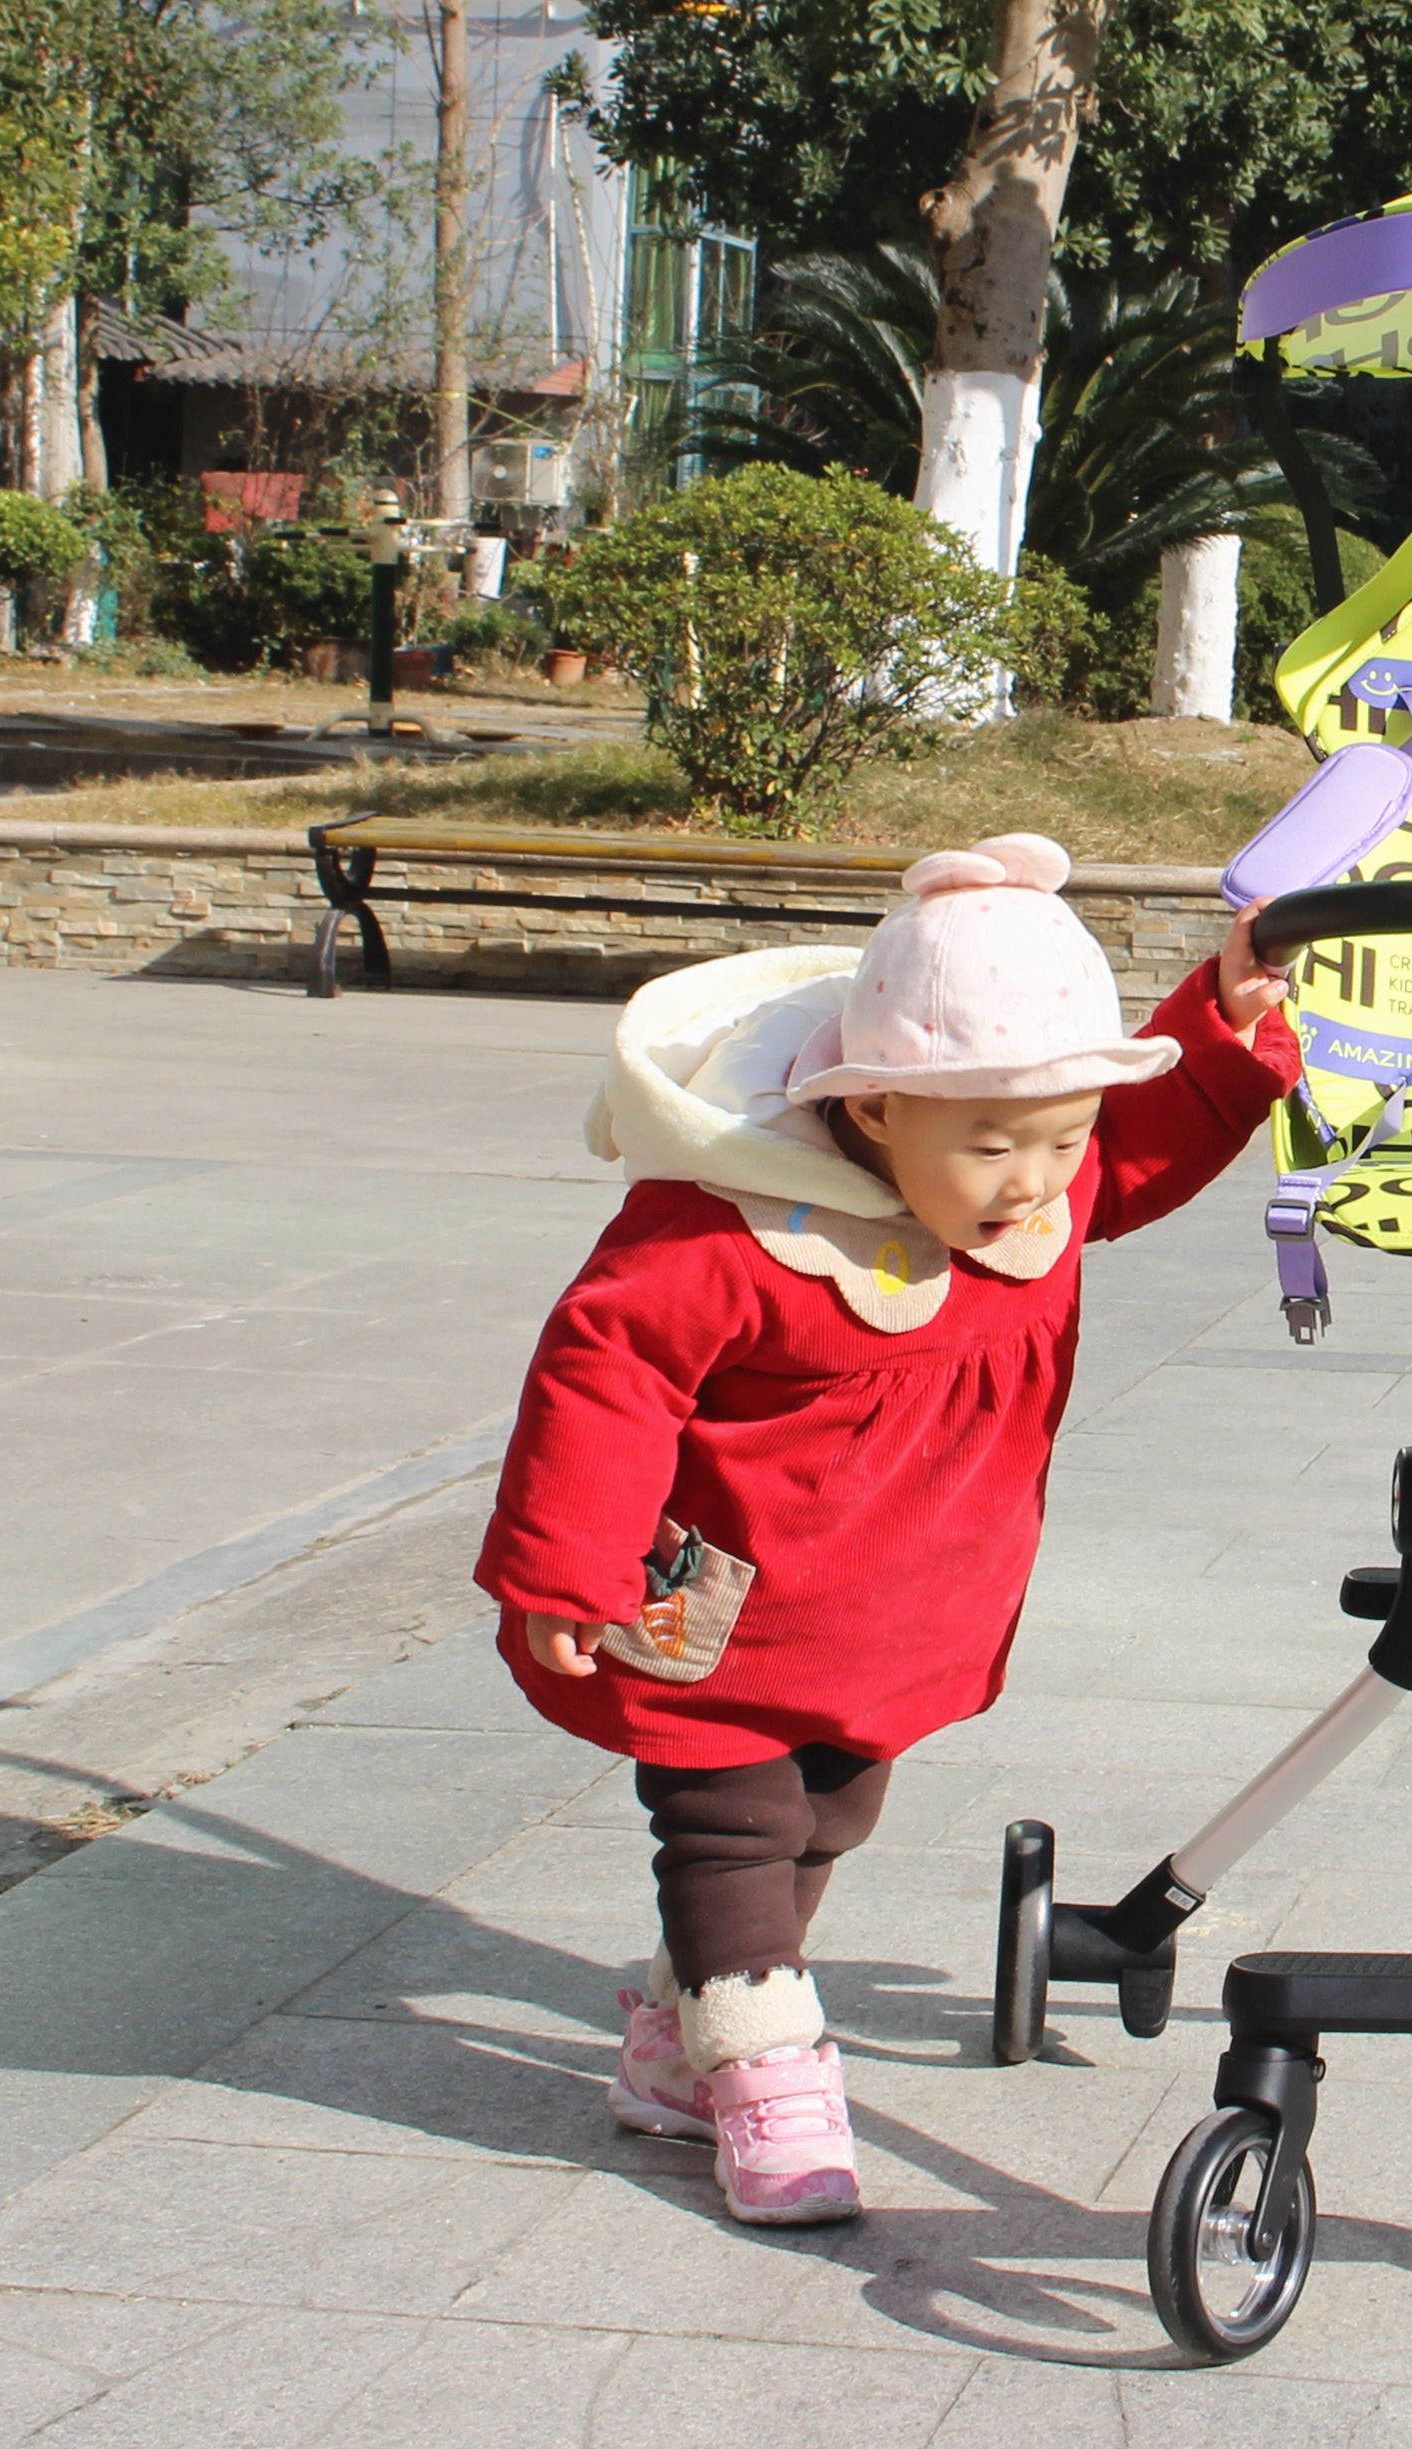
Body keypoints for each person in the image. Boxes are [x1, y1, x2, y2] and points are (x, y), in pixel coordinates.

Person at [474, 834, 1297, 2225]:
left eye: (1060, 1134)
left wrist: (1222, 1014)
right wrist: (565, 1557)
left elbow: (1148, 1143)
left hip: (887, 1606)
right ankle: (769, 2070)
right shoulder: (732, 1230)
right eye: (989, 1141)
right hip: (713, 1600)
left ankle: (678, 2041)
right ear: (872, 1116)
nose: (1036, 1180)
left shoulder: (1042, 1183)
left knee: (829, 1808)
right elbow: (606, 1370)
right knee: (729, 1819)